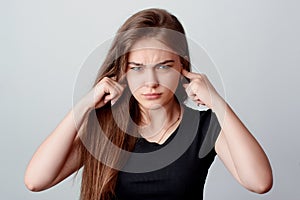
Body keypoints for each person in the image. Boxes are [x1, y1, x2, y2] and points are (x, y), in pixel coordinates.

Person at [24, 8, 273, 200]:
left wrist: (217, 102)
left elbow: (260, 183)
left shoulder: (205, 127)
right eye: (137, 68)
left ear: (182, 67)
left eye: (164, 67)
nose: (151, 82)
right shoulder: (105, 128)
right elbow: (36, 181)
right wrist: (85, 105)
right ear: (123, 71)